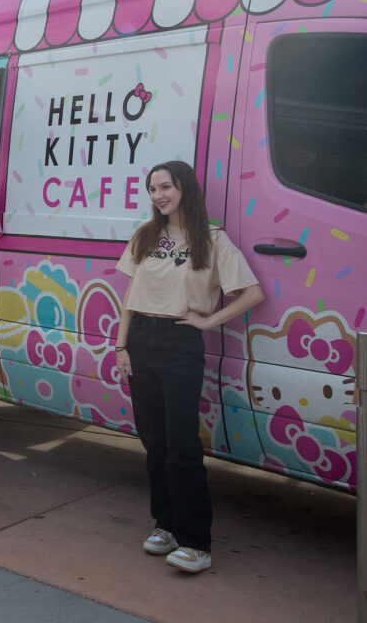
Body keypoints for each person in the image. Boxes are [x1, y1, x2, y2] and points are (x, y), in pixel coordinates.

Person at [113, 160, 263, 574]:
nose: (158, 195)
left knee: (182, 446)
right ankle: (165, 525)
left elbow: (252, 293)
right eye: (152, 189)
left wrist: (207, 321)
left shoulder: (211, 239)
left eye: (165, 186)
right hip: (140, 340)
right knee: (154, 442)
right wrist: (121, 345)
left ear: (184, 189)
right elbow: (131, 293)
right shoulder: (145, 236)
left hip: (181, 344)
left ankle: (196, 542)